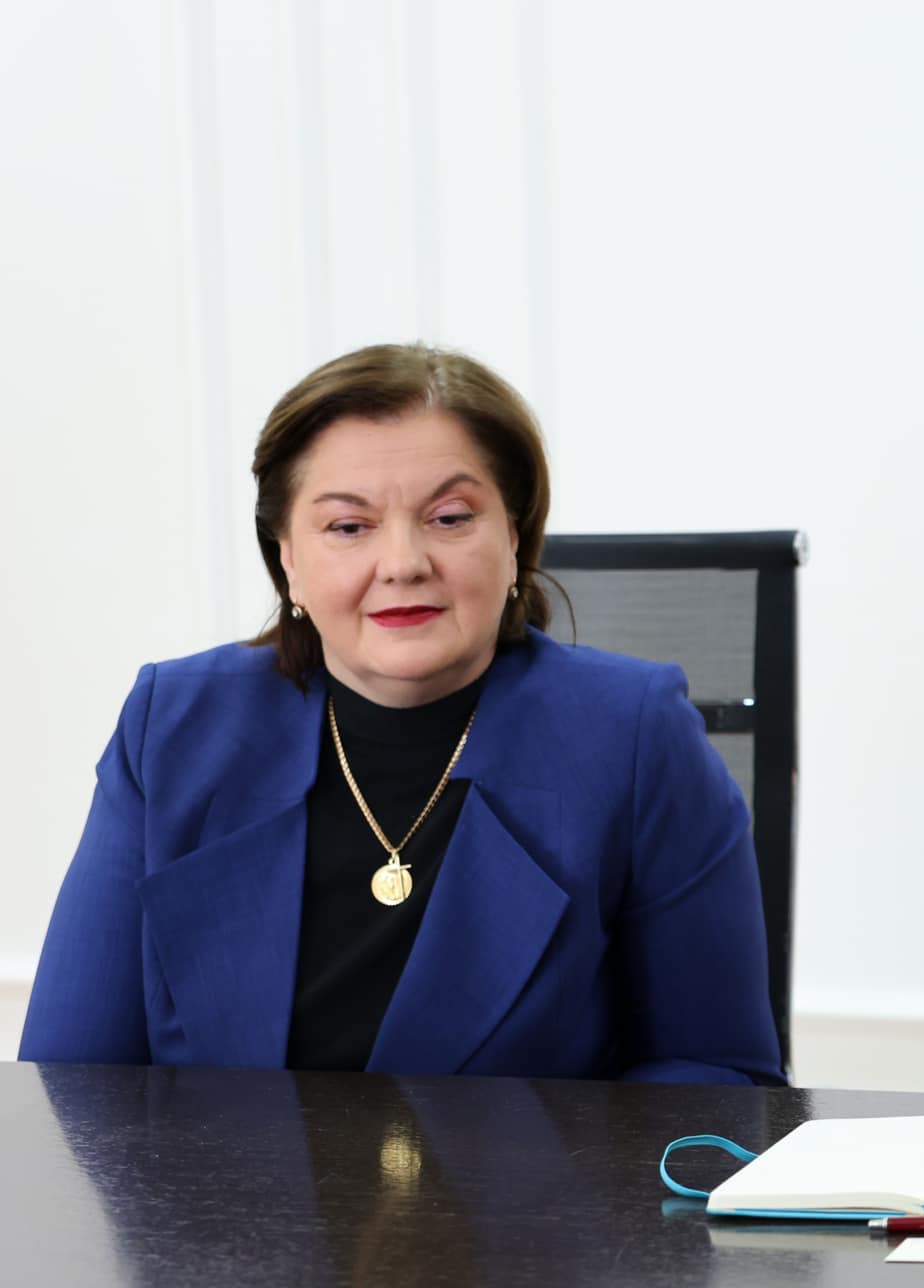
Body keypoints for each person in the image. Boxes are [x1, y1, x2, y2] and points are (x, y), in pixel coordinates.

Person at [21, 343, 782, 1084]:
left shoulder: (634, 735)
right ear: (288, 560)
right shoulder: (173, 726)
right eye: (348, 527)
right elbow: (68, 1087)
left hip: (527, 1178)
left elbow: (717, 1075)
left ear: (514, 538)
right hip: (220, 1179)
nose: (403, 563)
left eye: (449, 517)